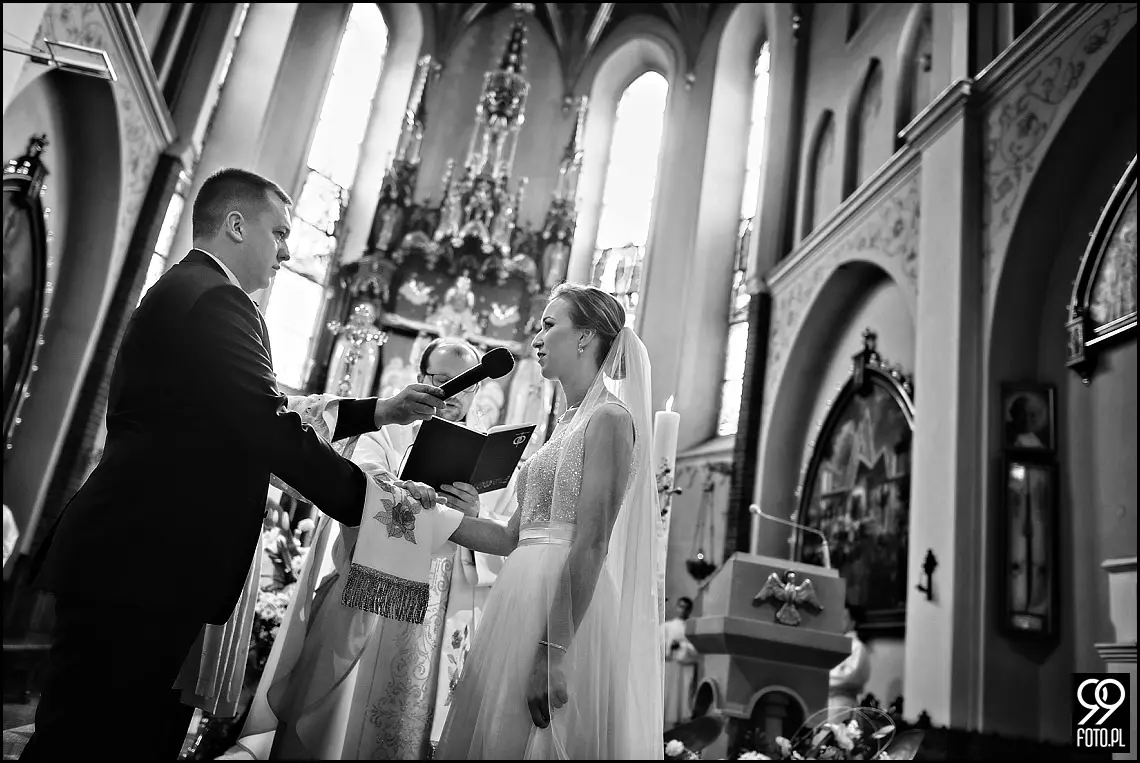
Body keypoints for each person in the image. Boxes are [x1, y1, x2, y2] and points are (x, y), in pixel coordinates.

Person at [21, 168, 447, 761]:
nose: (288, 251)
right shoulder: (218, 301)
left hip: (140, 562)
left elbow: (258, 414)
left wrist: (380, 410)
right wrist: (381, 505)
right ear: (236, 225)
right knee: (90, 739)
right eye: (278, 233)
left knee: (112, 736)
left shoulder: (190, 291)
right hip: (142, 566)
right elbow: (268, 425)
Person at [234, 337, 521, 759]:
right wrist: (405, 489)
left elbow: (505, 539)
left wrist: (473, 512)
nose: (454, 394)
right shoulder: (387, 428)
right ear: (421, 379)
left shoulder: (492, 454)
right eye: (444, 381)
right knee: (346, 723)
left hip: (444, 612)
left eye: (467, 384)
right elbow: (362, 476)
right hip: (375, 594)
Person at [436, 283, 664, 760]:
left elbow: (592, 543)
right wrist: (429, 513)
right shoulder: (565, 423)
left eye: (549, 324)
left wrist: (552, 651)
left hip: (562, 613)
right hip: (518, 597)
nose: (536, 338)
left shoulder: (610, 419)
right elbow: (508, 537)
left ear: (584, 337)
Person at [662, 596, 700, 728]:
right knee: (666, 697)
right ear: (676, 607)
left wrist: (682, 647)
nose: (682, 610)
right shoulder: (667, 626)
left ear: (690, 610)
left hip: (684, 668)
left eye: (686, 608)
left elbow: (697, 650)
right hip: (669, 666)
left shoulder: (692, 628)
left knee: (681, 699)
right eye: (680, 606)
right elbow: (659, 646)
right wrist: (669, 648)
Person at [828, 605, 871, 718]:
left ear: (853, 622)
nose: (838, 621)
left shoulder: (857, 647)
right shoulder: (832, 644)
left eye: (843, 618)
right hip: (826, 701)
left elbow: (850, 676)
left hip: (842, 702)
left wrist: (823, 678)